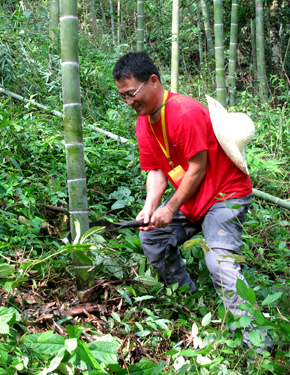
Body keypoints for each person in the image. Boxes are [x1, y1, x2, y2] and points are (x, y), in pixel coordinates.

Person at [113, 52, 269, 353]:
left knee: (219, 260)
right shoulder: (144, 123)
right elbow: (156, 169)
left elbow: (198, 169)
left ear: (154, 81)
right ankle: (185, 295)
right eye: (124, 97)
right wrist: (150, 207)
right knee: (152, 234)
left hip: (225, 194)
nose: (130, 102)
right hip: (192, 196)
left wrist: (170, 208)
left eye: (132, 94)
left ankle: (260, 344)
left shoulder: (183, 112)